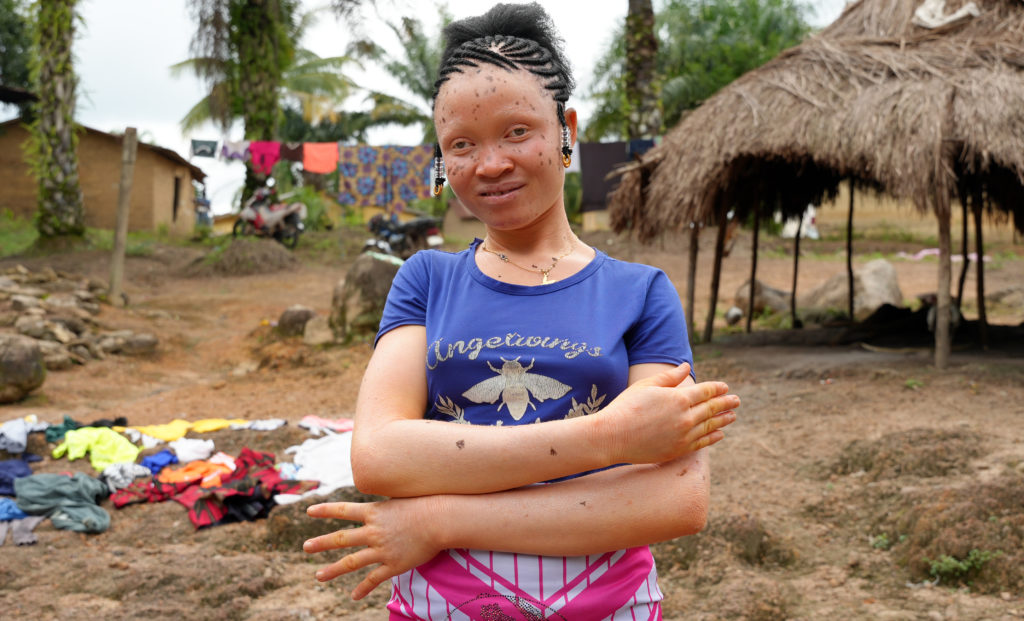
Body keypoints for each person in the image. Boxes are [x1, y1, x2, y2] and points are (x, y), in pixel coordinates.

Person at [303, 4, 740, 619]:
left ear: (566, 130)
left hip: (609, 606)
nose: (490, 164)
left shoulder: (642, 292)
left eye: (516, 131)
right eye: (461, 144)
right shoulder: (425, 280)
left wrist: (437, 519)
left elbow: (676, 500)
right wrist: (609, 437)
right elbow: (379, 456)